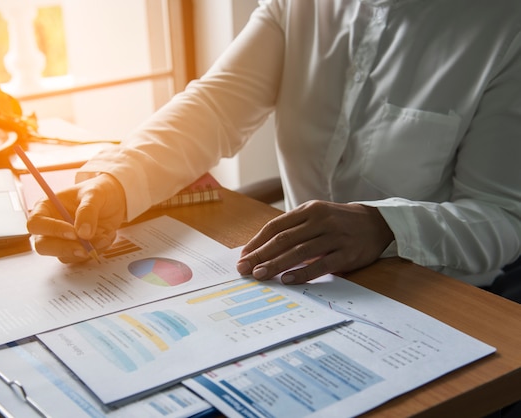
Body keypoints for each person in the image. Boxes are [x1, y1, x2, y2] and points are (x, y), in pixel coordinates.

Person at [27, 0, 521, 291]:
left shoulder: (505, 26)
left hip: (435, 294)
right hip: (296, 281)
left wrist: (385, 225)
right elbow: (214, 109)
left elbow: (502, 217)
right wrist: (116, 183)